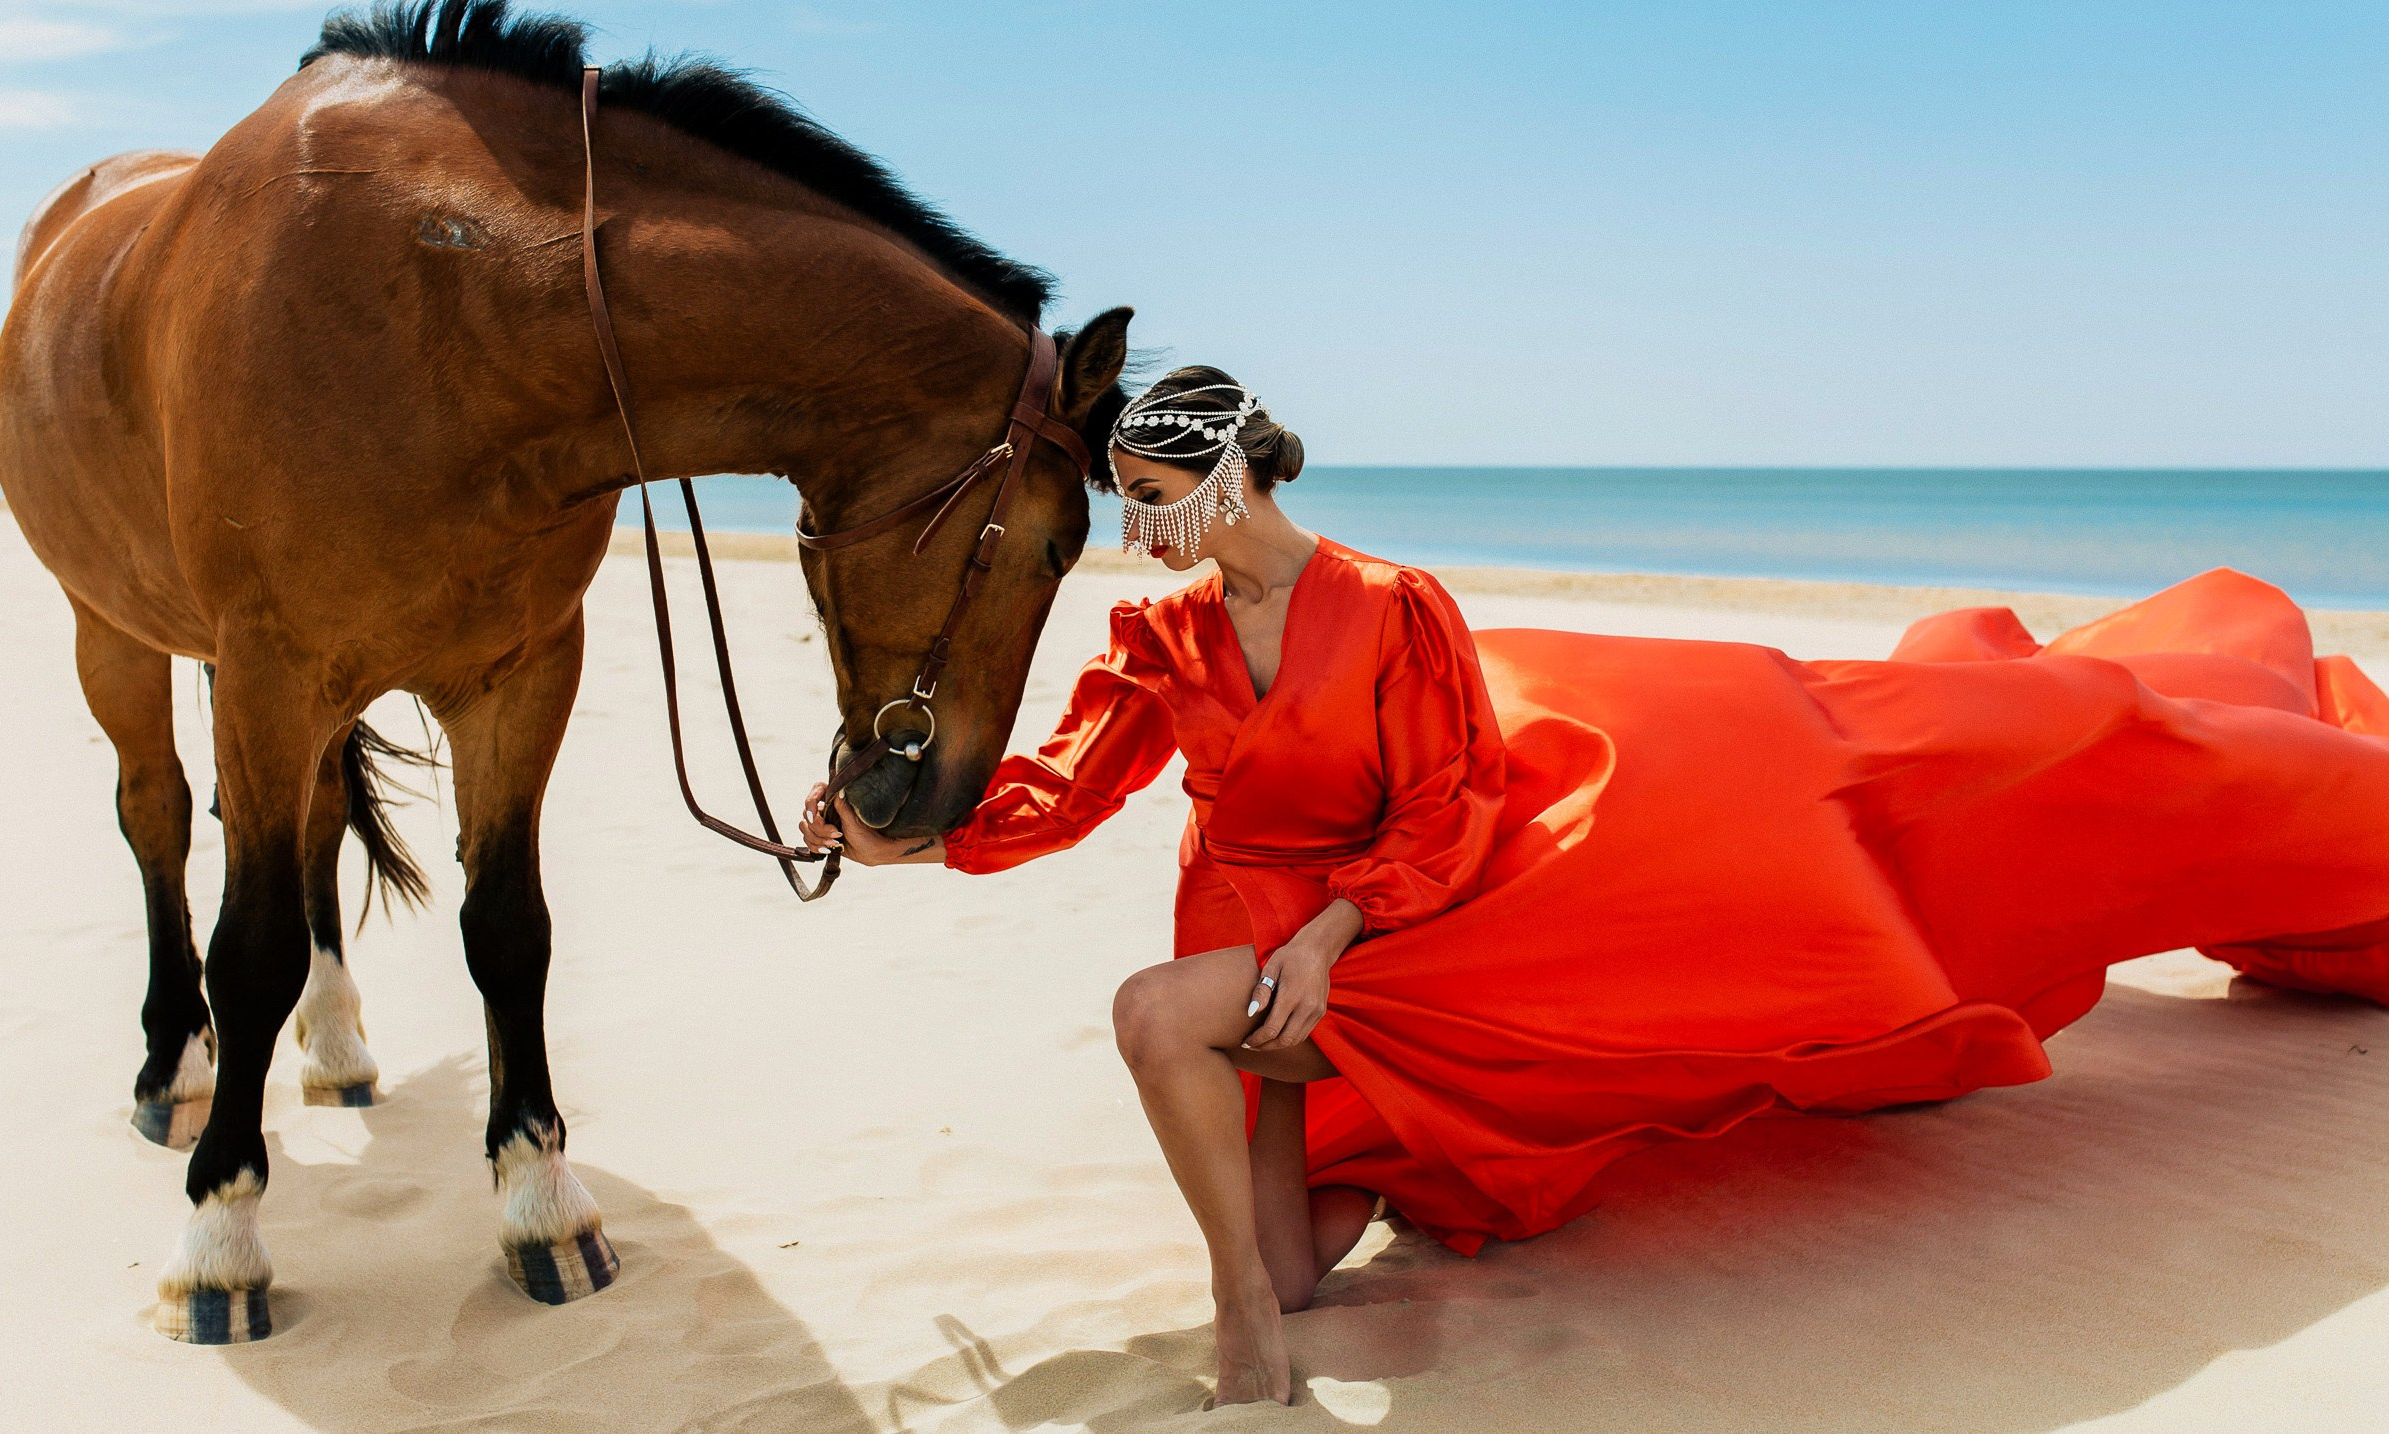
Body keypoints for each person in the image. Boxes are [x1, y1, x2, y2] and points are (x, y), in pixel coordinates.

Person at [800, 366, 2389, 1407]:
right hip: (1251, 939)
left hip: (1389, 930)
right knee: (1294, 1204)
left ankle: (1243, 1320)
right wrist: (907, 838)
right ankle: (1330, 1218)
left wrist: (1339, 933)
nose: (1135, 534)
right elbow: (1065, 786)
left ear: (1223, 480)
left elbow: (1449, 799)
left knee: (1156, 1019)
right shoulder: (1157, 638)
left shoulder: (1390, 608)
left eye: (1152, 498)